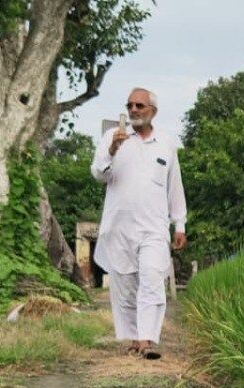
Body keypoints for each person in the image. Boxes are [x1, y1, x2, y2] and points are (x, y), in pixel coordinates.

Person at [91, 87, 187, 360]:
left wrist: (179, 223)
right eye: (130, 105)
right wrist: (112, 150)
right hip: (119, 226)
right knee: (125, 283)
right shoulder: (113, 137)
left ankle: (146, 340)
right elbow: (98, 174)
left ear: (152, 111)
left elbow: (174, 186)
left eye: (140, 105)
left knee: (151, 278)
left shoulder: (166, 144)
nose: (134, 110)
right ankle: (134, 337)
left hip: (154, 227)